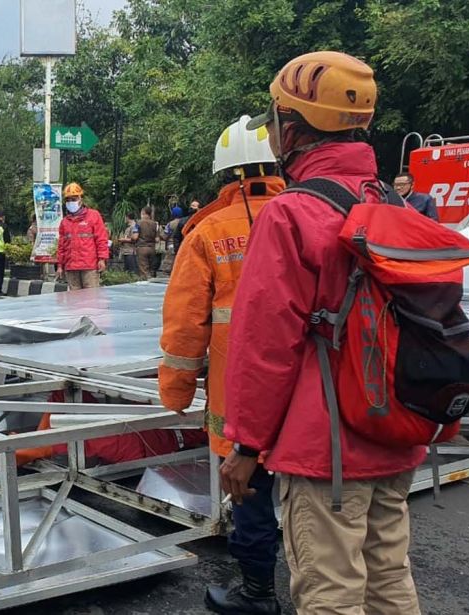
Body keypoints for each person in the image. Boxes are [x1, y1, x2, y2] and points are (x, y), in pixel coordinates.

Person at [223, 51, 423, 615]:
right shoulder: (393, 202)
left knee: (329, 593)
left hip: (327, 447)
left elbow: (265, 349)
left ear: (291, 129)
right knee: (389, 581)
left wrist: (246, 447)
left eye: (274, 123)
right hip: (394, 429)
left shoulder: (291, 214)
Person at [160, 115, 285, 615]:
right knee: (314, 498)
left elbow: (184, 324)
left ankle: (257, 592)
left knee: (248, 491)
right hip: (308, 391)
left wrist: (176, 391)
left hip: (240, 398)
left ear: (228, 174)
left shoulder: (209, 231)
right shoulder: (313, 214)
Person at [57, 182, 109, 290]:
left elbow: (101, 239)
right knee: (74, 298)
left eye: (73, 199)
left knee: (91, 297)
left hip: (89, 267)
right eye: (68, 200)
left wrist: (102, 259)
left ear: (80, 199)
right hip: (71, 267)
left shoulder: (93, 216)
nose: (71, 202)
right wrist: (60, 266)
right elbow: (62, 246)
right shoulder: (65, 222)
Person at [158, 206, 185, 275]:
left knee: (168, 267)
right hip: (183, 246)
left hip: (171, 246)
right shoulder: (185, 222)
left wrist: (160, 231)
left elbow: (165, 236)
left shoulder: (170, 224)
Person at [136, 206, 159, 279]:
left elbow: (135, 237)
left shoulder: (139, 223)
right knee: (151, 270)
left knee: (144, 271)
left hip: (142, 248)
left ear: (143, 212)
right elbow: (157, 239)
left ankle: (146, 283)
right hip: (152, 248)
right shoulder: (155, 224)